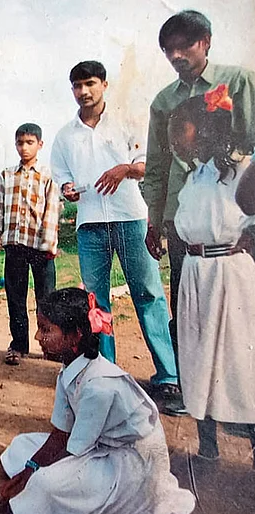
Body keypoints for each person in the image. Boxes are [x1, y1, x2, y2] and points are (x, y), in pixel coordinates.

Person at [0, 288, 195, 514]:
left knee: (44, 485)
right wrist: (30, 468)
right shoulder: (69, 370)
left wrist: (31, 476)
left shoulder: (99, 386)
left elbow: (74, 451)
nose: (38, 337)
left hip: (131, 466)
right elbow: (60, 433)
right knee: (21, 445)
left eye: (46, 329)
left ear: (75, 336)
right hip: (98, 448)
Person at [50, 60, 182, 413]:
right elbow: (62, 178)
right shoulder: (65, 136)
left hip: (131, 218)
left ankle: (168, 377)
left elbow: (148, 165)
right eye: (77, 86)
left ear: (105, 85)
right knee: (96, 302)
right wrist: (68, 190)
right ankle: (105, 377)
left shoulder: (127, 121)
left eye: (90, 84)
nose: (84, 92)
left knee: (149, 294)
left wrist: (123, 169)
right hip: (90, 224)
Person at [142, 10, 255, 361]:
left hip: (236, 214)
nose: (177, 56)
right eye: (169, 50)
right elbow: (157, 165)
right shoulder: (163, 102)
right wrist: (154, 220)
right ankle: (190, 387)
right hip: (184, 219)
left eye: (185, 46)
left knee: (243, 309)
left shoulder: (238, 82)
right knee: (188, 305)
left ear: (205, 42)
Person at [168, 89, 255, 465]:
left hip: (229, 276)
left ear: (206, 129)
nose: (175, 141)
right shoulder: (196, 176)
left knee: (235, 360)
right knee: (196, 358)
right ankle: (207, 446)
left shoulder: (243, 170)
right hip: (195, 274)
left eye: (180, 131)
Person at [0, 123, 60, 365]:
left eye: (30, 143)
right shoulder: (7, 175)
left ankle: (51, 348)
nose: (24, 148)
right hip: (14, 245)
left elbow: (51, 211)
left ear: (40, 144)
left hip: (40, 247)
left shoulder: (49, 176)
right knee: (16, 298)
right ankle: (18, 345)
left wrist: (49, 244)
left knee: (46, 299)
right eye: (20, 143)